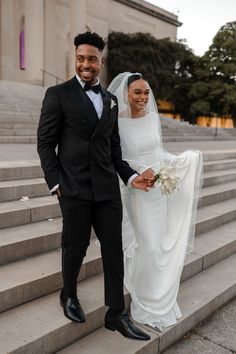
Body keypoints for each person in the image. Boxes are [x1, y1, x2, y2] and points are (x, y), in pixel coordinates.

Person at [37, 33, 151, 341]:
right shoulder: (57, 94)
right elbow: (46, 144)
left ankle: (116, 313)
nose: (86, 64)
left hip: (106, 191)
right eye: (81, 58)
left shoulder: (111, 101)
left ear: (101, 62)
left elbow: (113, 150)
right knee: (76, 247)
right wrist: (55, 182)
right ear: (75, 59)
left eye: (92, 59)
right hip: (73, 188)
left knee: (114, 250)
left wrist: (130, 177)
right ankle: (69, 294)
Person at [108, 72, 203, 331]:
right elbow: (119, 157)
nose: (143, 97)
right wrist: (139, 173)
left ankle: (156, 295)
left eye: (146, 92)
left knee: (158, 244)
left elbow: (157, 151)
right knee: (147, 243)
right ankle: (145, 296)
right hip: (136, 190)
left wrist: (179, 161)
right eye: (137, 92)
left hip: (157, 188)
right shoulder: (116, 121)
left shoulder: (152, 119)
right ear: (126, 93)